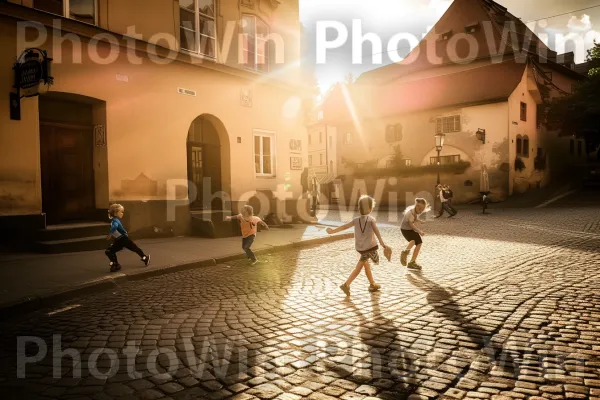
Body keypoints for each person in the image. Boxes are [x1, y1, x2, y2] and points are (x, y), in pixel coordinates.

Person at [326, 195, 390, 295]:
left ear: (359, 208)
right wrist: (382, 242)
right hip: (369, 248)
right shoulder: (371, 220)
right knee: (359, 267)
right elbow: (376, 231)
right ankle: (346, 284)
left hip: (360, 248)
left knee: (366, 265)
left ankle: (372, 284)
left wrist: (333, 231)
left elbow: (344, 227)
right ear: (370, 209)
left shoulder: (356, 220)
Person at [105, 204, 150, 272]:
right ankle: (144, 258)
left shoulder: (115, 220)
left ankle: (115, 264)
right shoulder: (115, 221)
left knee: (110, 251)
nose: (122, 213)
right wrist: (110, 234)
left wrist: (111, 234)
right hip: (122, 239)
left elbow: (115, 228)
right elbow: (114, 227)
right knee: (134, 248)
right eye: (121, 212)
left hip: (122, 239)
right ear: (115, 213)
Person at [400, 198, 430, 270]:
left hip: (405, 229)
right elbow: (411, 224)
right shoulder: (411, 213)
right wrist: (419, 231)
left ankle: (407, 254)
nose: (421, 211)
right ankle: (409, 258)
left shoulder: (414, 211)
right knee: (418, 242)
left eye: (423, 209)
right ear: (417, 206)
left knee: (414, 241)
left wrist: (419, 221)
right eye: (420, 209)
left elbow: (414, 219)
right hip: (407, 230)